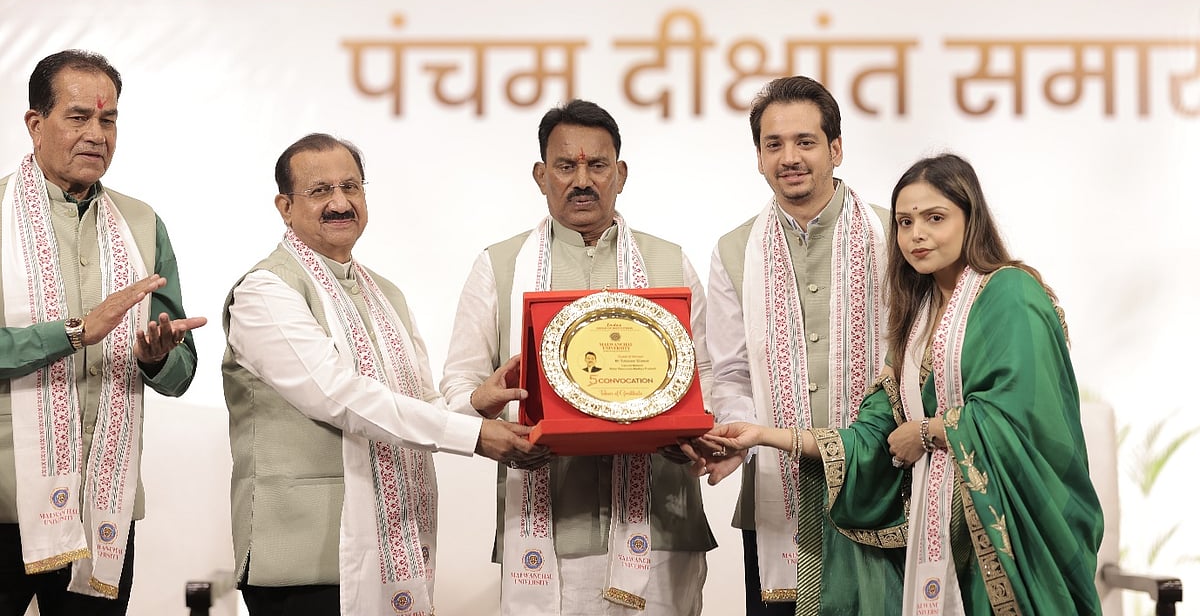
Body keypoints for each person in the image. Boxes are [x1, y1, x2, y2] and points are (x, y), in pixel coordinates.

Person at [698, 153, 1103, 615]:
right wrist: (765, 436)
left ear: (971, 220)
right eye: (906, 222)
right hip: (937, 537)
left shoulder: (1010, 292)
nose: (917, 235)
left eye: (935, 218)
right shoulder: (917, 320)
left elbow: (1025, 415)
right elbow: (872, 434)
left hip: (1007, 533)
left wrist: (928, 432)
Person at [222, 133, 547, 616]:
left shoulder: (385, 293)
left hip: (393, 543)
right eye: (320, 191)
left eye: (351, 187)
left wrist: (474, 404)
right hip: (303, 555)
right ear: (285, 207)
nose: (340, 202)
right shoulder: (265, 291)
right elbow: (341, 397)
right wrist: (474, 435)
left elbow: (417, 405)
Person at [440, 100, 715, 615]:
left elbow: (711, 379)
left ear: (622, 173)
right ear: (541, 175)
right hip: (548, 534)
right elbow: (456, 390)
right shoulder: (497, 266)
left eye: (598, 165)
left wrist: (695, 435)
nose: (581, 180)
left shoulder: (669, 262)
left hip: (660, 528)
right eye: (566, 166)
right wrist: (482, 406)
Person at [0, 50, 206, 615]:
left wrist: (158, 355)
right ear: (34, 124)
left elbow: (182, 370)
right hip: (4, 505)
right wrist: (72, 333)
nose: (96, 134)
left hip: (102, 509)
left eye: (108, 120)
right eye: (78, 117)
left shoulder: (142, 223)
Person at [696, 76, 902, 615]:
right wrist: (737, 432)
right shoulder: (735, 250)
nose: (790, 157)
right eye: (774, 144)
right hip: (776, 498)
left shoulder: (894, 236)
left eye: (805, 142)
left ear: (836, 149)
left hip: (886, 491)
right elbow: (732, 372)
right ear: (759, 158)